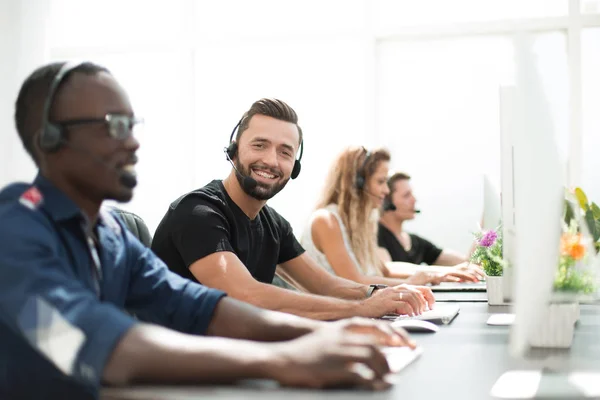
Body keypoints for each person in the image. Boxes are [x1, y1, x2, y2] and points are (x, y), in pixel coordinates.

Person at [0, 62, 414, 399]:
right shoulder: (12, 233)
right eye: (113, 126)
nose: (134, 144)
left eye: (132, 124)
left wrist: (332, 332)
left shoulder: (110, 234)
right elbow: (85, 343)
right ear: (51, 140)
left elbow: (198, 305)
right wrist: (283, 359)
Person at [152, 98, 435, 321]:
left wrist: (379, 294)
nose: (271, 160)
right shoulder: (198, 213)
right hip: (178, 374)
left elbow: (326, 285)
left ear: (295, 166)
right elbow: (246, 295)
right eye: (259, 145)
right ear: (234, 149)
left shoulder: (273, 224)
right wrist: (361, 309)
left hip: (233, 356)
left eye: (285, 152)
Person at [302, 146, 482, 287]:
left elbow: (384, 270)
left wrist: (434, 274)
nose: (386, 190)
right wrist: (412, 283)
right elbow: (354, 282)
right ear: (357, 183)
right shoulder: (326, 221)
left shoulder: (359, 226)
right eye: (381, 182)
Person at [378, 172, 482, 275]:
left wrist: (482, 232)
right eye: (406, 195)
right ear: (386, 202)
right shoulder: (375, 235)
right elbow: (387, 270)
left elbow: (467, 263)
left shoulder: (416, 242)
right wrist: (443, 272)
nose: (414, 200)